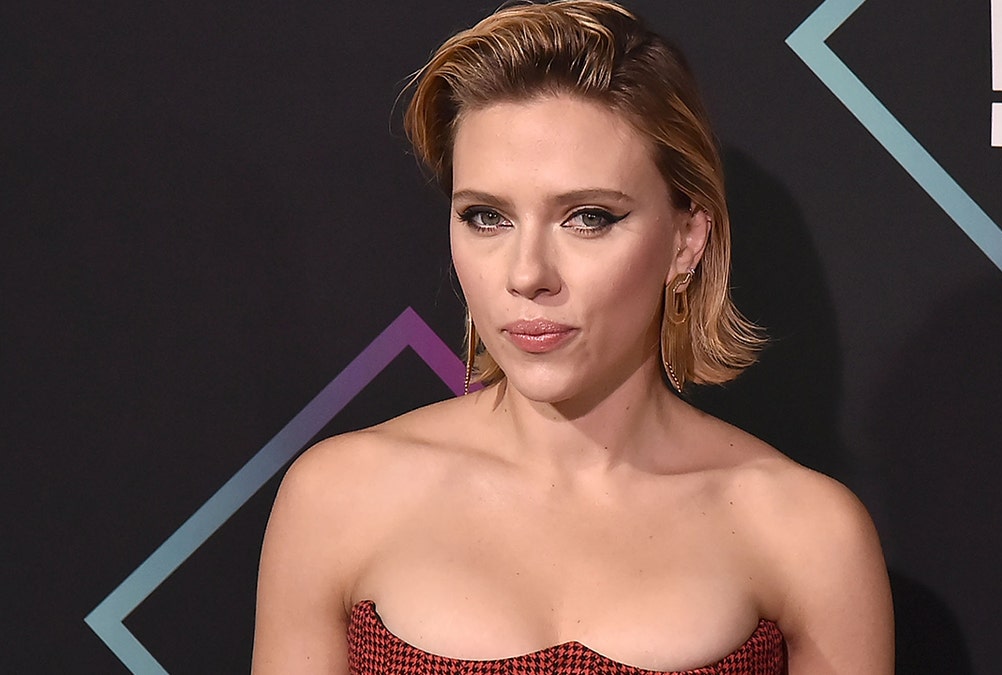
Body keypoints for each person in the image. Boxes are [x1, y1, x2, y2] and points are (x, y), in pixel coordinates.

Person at [251, 1, 893, 673]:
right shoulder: (336, 501)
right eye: (486, 216)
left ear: (685, 239)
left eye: (587, 217)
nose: (528, 273)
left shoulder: (806, 534)